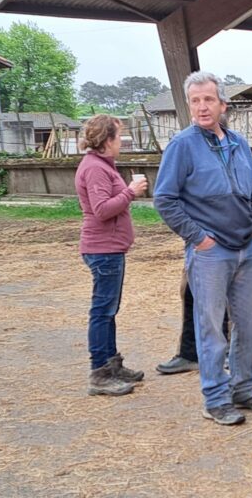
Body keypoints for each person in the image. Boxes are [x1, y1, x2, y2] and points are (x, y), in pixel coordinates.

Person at [154, 71, 252, 426]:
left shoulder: (238, 143)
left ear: (223, 104)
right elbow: (164, 199)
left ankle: (244, 389)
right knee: (211, 327)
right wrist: (198, 237)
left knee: (251, 326)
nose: (202, 107)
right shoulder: (182, 145)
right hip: (210, 251)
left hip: (247, 248)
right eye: (194, 101)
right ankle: (215, 399)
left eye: (208, 99)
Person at [75, 114, 148, 396]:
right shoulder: (95, 168)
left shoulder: (101, 165)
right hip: (103, 249)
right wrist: (130, 192)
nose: (122, 141)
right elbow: (102, 209)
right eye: (118, 136)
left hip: (109, 249)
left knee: (108, 311)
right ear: (107, 140)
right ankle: (100, 374)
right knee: (102, 311)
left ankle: (112, 365)